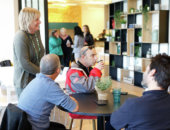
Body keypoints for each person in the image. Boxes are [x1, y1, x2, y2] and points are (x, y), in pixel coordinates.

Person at [18, 54, 79, 130]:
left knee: (61, 127)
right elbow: (74, 107)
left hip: (24, 124)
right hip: (35, 127)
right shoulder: (50, 86)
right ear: (58, 70)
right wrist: (71, 99)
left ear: (40, 68)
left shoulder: (36, 80)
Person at [109, 54, 170, 130]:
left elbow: (114, 122)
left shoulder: (134, 104)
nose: (144, 73)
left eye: (146, 70)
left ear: (152, 73)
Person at [13, 7, 45, 97]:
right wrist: (43, 73)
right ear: (28, 20)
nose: (40, 22)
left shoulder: (36, 33)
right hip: (25, 82)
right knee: (28, 110)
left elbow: (40, 54)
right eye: (37, 19)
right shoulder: (20, 36)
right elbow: (25, 63)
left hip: (37, 79)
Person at [65, 45, 104, 118]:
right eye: (92, 55)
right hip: (78, 107)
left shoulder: (87, 68)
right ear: (83, 57)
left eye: (96, 55)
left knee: (115, 112)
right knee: (112, 115)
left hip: (88, 102)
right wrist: (96, 71)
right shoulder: (73, 72)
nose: (96, 58)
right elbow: (87, 88)